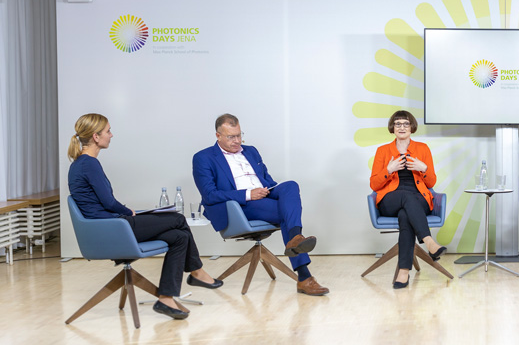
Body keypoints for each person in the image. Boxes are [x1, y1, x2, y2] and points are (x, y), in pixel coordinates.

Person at [67, 113, 221, 321]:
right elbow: (108, 202)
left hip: (109, 226)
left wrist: (126, 212)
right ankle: (197, 272)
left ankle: (166, 298)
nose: (111, 135)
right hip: (111, 228)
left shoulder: (81, 164)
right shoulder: (89, 164)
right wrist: (128, 211)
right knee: (177, 219)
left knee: (179, 236)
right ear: (96, 136)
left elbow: (103, 203)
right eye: (108, 131)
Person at [192, 113, 328, 296]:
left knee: (290, 185)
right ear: (218, 135)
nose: (237, 140)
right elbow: (209, 195)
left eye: (239, 135)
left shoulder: (251, 151)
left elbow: (266, 179)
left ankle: (295, 238)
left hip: (264, 193)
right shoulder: (203, 157)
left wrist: (267, 190)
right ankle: (304, 276)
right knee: (285, 214)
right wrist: (249, 194)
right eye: (231, 137)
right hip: (239, 206)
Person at [369, 110, 446, 289]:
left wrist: (423, 167)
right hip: (390, 200)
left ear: (412, 127)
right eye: (398, 124)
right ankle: (428, 241)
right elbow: (374, 184)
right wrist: (388, 170)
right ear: (392, 127)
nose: (402, 127)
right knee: (404, 197)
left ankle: (403, 272)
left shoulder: (423, 149)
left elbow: (432, 182)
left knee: (406, 215)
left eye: (405, 123)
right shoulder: (383, 151)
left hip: (419, 199)